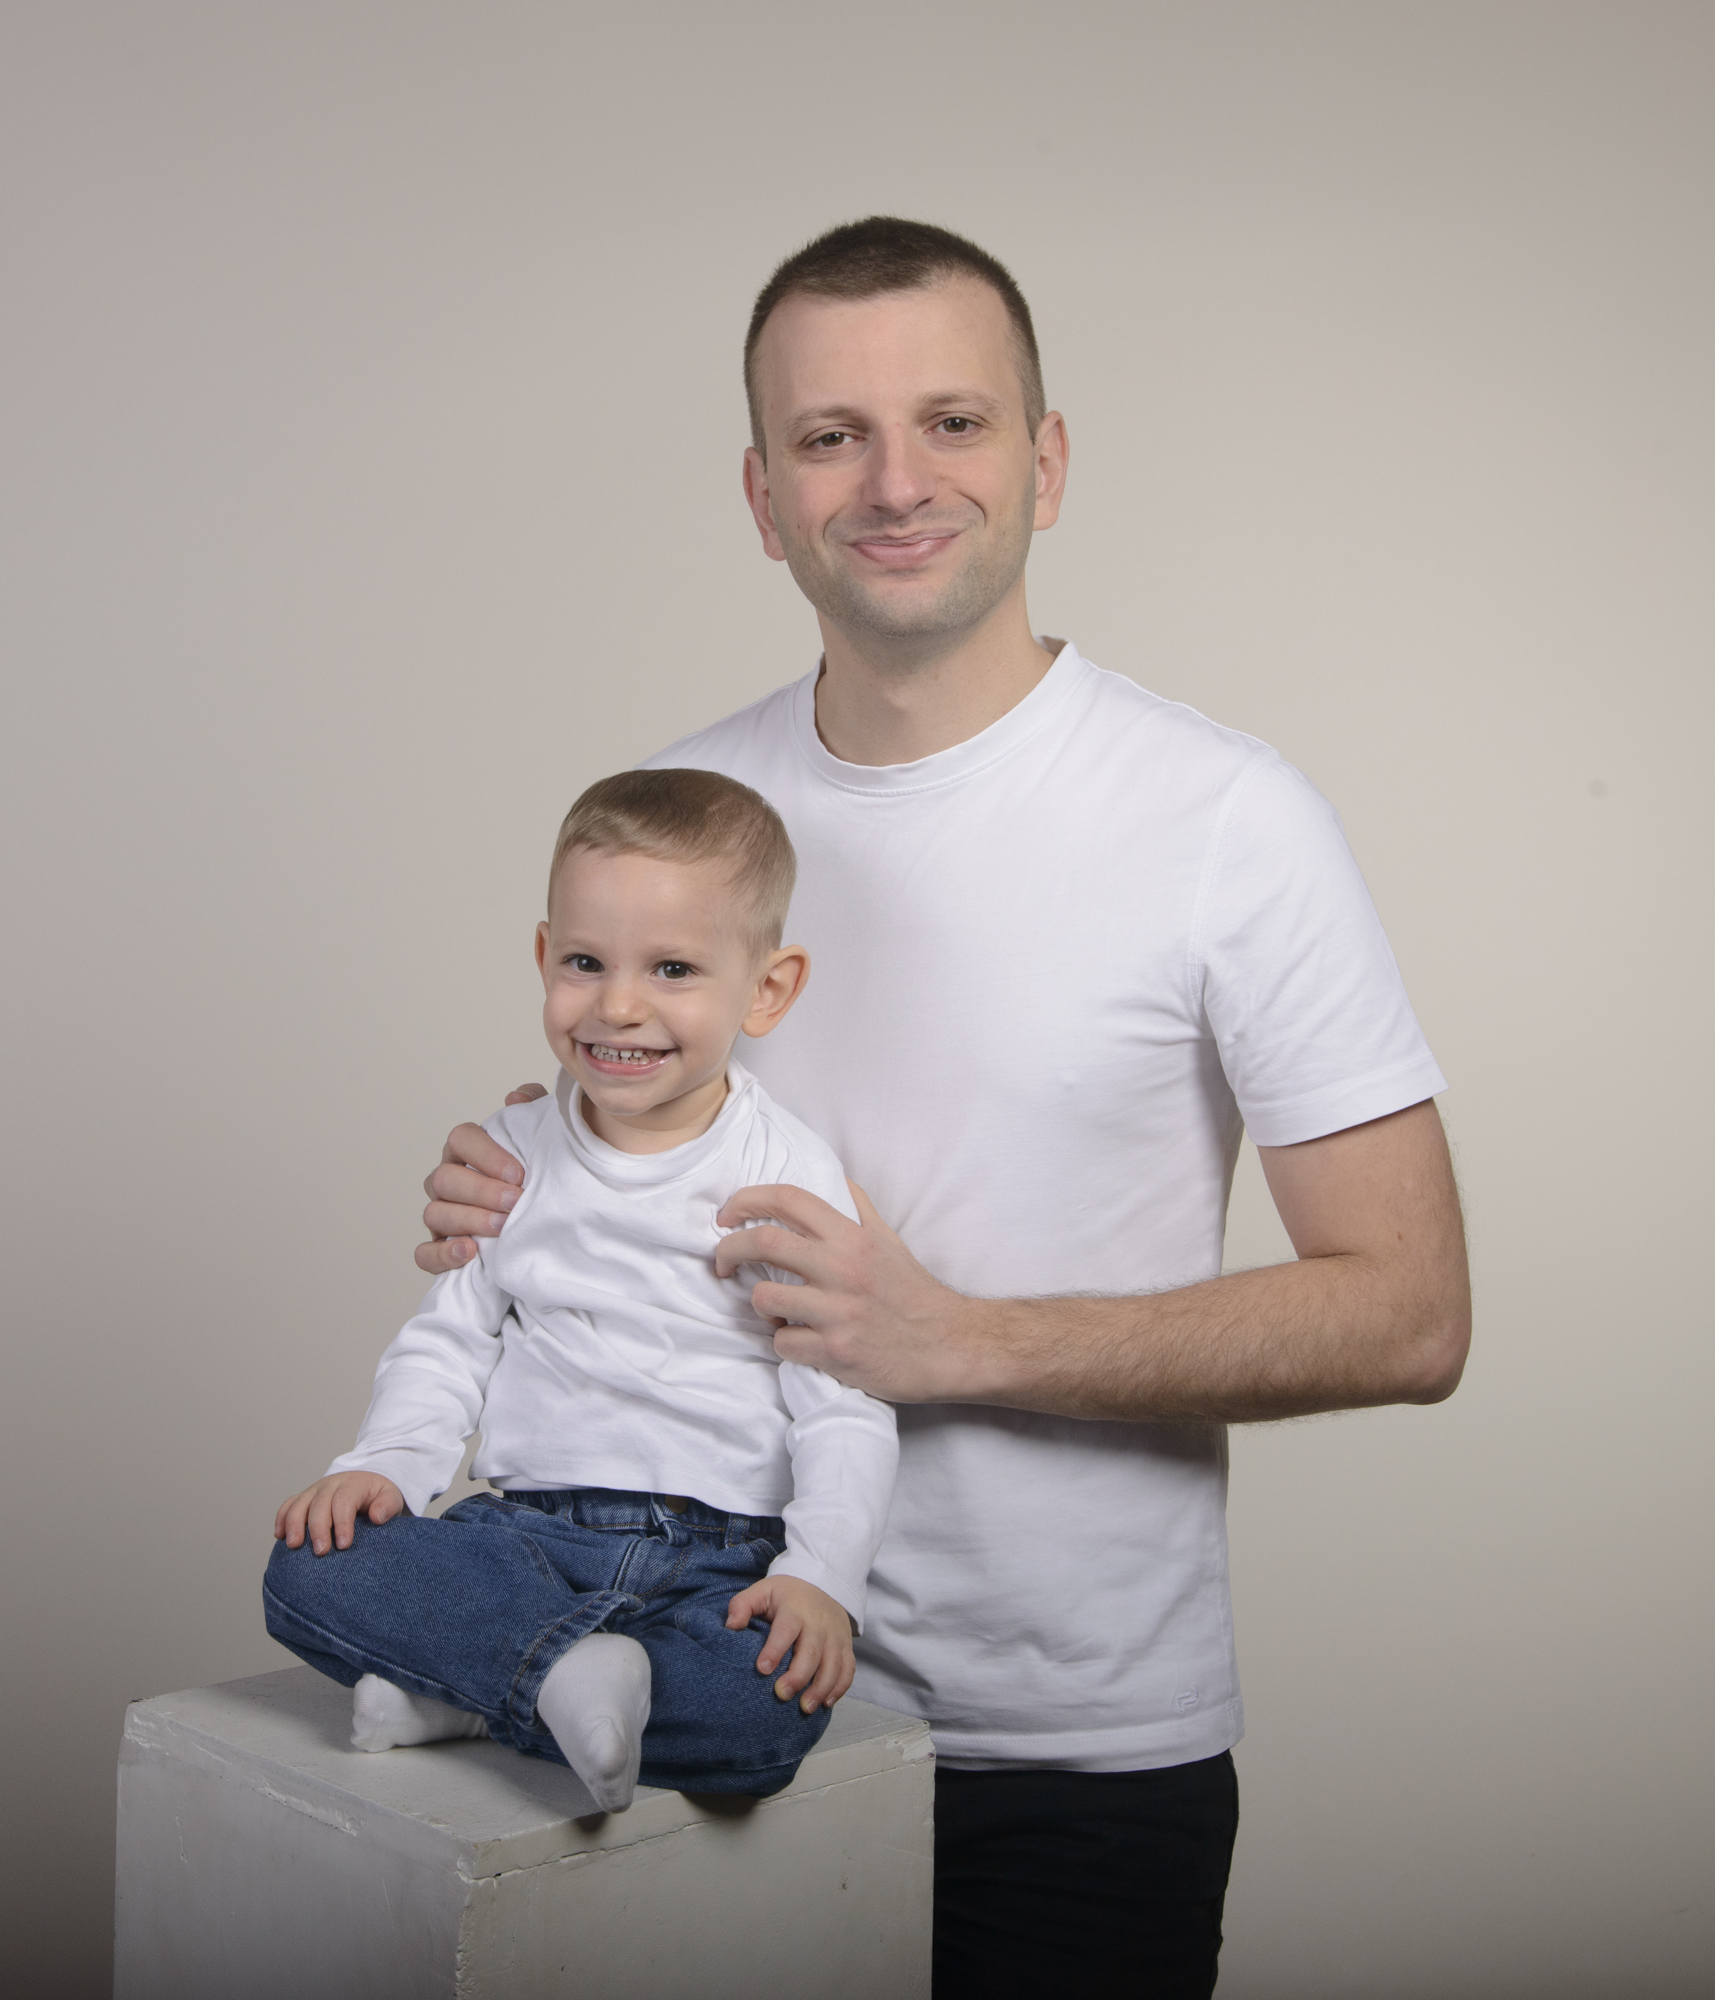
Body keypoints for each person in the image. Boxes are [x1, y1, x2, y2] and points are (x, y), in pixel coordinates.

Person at [414, 218, 1472, 1996]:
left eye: (956, 424)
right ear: (763, 495)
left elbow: (1412, 1308)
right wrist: (522, 1171)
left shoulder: (1224, 816)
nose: (895, 481)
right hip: (690, 1704)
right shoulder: (691, 819)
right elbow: (637, 1149)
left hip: (1065, 1760)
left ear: (1046, 462)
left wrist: (959, 1338)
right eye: (833, 437)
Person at [264, 767, 898, 1813]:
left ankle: (479, 1690)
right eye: (585, 961)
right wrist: (384, 1463)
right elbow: (449, 1340)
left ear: (766, 988)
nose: (618, 1004)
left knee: (767, 1714)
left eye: (674, 967)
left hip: (714, 1551)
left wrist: (820, 1574)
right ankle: (555, 1673)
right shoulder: (513, 1150)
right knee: (307, 1566)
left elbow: (841, 1397)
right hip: (519, 1538)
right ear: (541, 956)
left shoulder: (785, 1176)